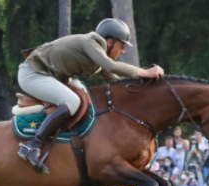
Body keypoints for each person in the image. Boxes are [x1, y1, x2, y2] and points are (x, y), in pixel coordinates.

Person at [16, 18, 164, 173]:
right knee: (73, 101)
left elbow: (115, 81)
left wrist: (140, 91)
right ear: (109, 42)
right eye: (121, 45)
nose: (123, 51)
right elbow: (111, 66)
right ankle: (32, 145)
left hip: (48, 75)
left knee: (86, 97)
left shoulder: (98, 55)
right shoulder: (91, 43)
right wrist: (145, 72)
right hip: (32, 74)